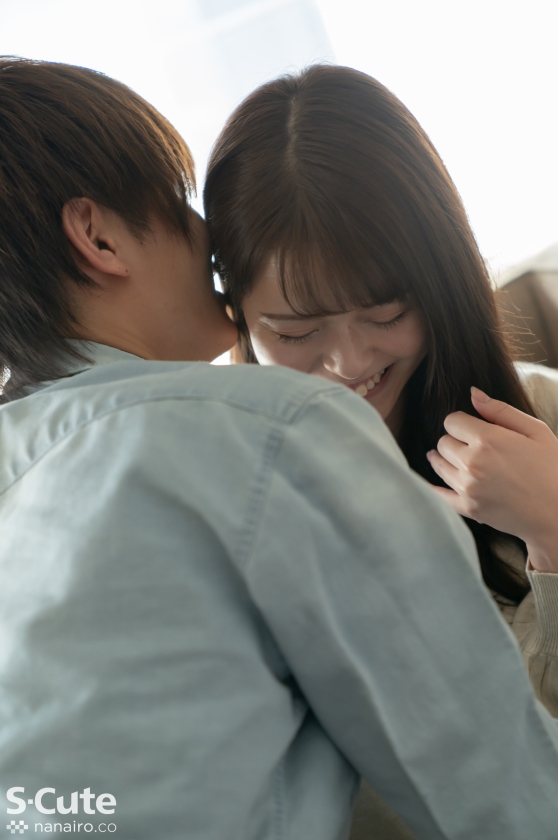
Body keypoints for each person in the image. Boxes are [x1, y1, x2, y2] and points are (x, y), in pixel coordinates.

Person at [1, 57, 557, 840]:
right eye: (295, 330)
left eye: (385, 314)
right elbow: (502, 791)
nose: (349, 362)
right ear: (97, 236)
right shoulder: (269, 438)